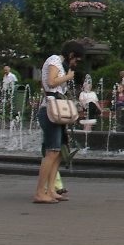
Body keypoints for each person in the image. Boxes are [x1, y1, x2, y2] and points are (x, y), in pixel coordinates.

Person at [33, 40, 84, 205]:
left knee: (57, 153)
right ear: (71, 54)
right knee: (51, 152)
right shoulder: (54, 60)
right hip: (50, 111)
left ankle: (51, 190)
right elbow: (51, 82)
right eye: (76, 59)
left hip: (56, 112)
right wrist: (67, 77)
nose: (75, 63)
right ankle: (40, 192)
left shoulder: (59, 63)